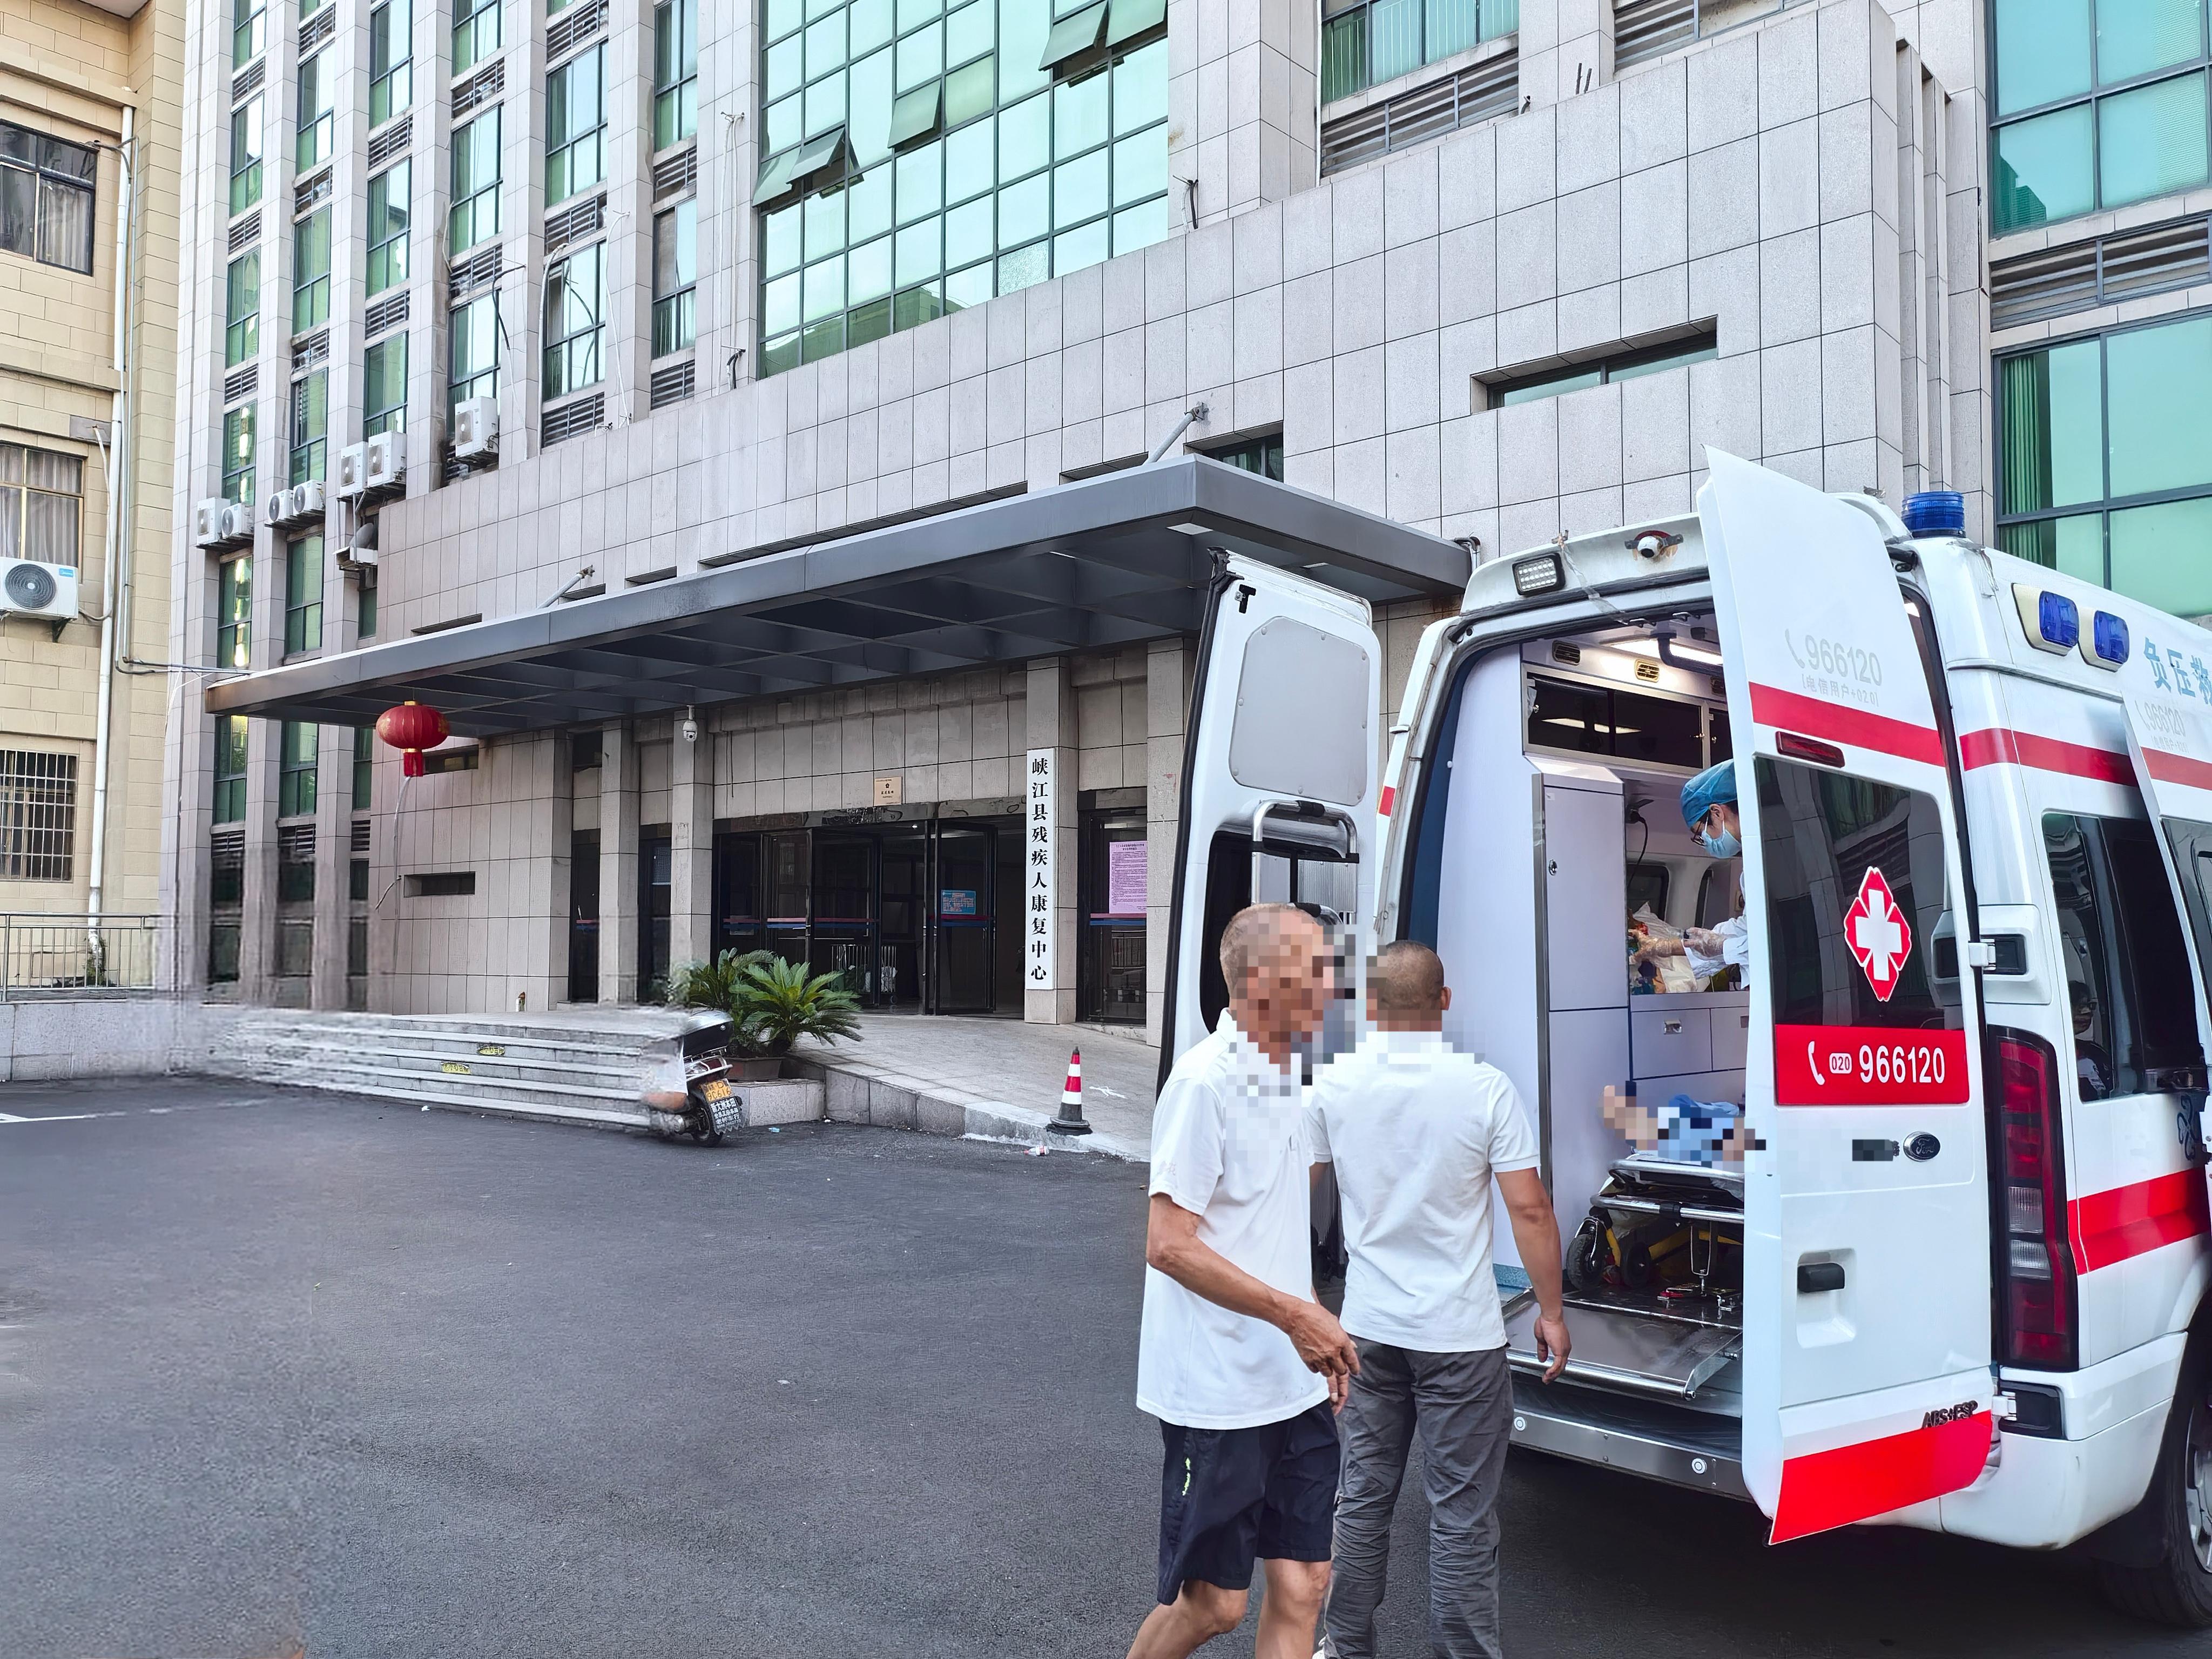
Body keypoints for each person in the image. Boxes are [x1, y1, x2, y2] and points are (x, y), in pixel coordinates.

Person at [1309, 940, 1569, 1659]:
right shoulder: (1485, 1089)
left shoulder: (1333, 1086)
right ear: (1444, 1001)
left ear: (1370, 1005)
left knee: (1362, 1499)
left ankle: (1344, 1647)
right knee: (1461, 1517)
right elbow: (1531, 1210)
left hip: (1367, 1332)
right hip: (1461, 1337)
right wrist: (1551, 1314)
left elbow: (1289, 1195)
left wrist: (1303, 1304)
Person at [1127, 903, 1361, 1659]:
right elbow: (1168, 1246)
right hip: (1219, 1390)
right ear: (1263, 982)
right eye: (1316, 969)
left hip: (1292, 1381)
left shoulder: (1290, 1076)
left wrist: (1314, 1320)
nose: (1332, 985)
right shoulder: (1204, 1082)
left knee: (1306, 1584)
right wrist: (1295, 1316)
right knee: (1214, 1607)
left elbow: (1269, 1225)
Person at [1636, 759, 1750, 987]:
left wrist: (1721, 947)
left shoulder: (1777, 858)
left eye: (1701, 833)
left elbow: (1772, 944)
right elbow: (1745, 930)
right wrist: (1668, 946)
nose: (1705, 844)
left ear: (1716, 813)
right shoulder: (1753, 866)